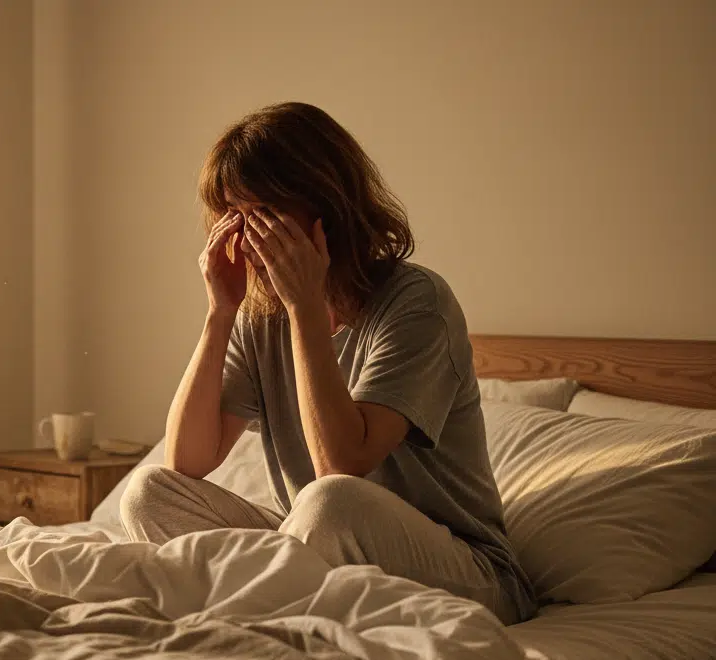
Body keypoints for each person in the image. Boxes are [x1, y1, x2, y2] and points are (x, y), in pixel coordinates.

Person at [119, 102, 535, 624]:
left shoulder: (417, 303)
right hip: (316, 551)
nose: (248, 239)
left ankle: (258, 610)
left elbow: (341, 466)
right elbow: (187, 460)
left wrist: (305, 308)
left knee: (330, 502)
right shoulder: (259, 315)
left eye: (264, 215)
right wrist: (220, 313)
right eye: (234, 217)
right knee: (148, 494)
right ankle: (273, 611)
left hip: (468, 572)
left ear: (325, 208)